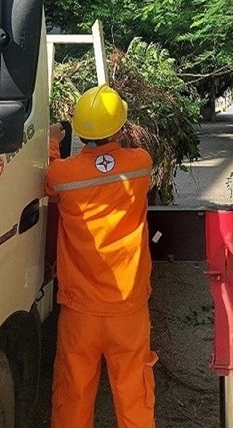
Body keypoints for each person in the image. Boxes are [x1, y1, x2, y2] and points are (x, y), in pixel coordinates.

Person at [46, 84, 156, 428]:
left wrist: (52, 139)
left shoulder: (62, 175)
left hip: (80, 311)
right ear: (121, 128)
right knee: (134, 396)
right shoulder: (140, 165)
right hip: (128, 309)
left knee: (73, 397)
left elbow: (48, 175)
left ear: (78, 130)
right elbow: (121, 164)